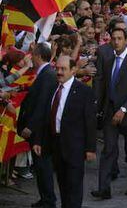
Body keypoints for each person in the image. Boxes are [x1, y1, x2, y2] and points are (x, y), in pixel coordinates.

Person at [33, 56, 97, 208]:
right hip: (55, 145)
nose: (59, 72)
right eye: (57, 69)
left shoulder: (83, 92)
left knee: (74, 188)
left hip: (75, 147)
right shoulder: (53, 88)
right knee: (62, 186)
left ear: (73, 70)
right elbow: (45, 117)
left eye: (63, 69)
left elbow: (90, 122)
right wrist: (38, 140)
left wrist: (90, 149)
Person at [92, 28, 127, 199]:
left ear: (126, 40)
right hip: (110, 112)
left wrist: (124, 109)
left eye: (119, 39)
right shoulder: (108, 61)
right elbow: (103, 87)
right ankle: (104, 188)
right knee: (108, 149)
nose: (116, 42)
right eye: (113, 39)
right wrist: (98, 109)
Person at [17, 43, 57, 208]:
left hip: (40, 131)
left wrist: (30, 126)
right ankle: (45, 199)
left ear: (39, 56)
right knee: (41, 167)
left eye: (33, 54)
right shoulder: (45, 73)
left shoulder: (47, 75)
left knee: (43, 167)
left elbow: (42, 105)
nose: (31, 57)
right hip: (39, 129)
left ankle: (48, 201)